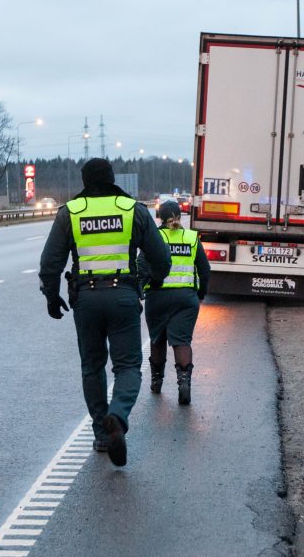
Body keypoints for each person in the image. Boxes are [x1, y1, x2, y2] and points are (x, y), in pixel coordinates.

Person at [39, 158, 170, 467]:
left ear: (85, 182)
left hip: (85, 299)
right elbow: (160, 256)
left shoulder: (70, 213)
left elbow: (50, 263)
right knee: (127, 367)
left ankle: (101, 433)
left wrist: (51, 296)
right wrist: (155, 279)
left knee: (92, 366)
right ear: (112, 179)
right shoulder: (132, 210)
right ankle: (118, 415)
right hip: (123, 296)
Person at [137, 200, 211, 405]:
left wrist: (139, 291)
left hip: (157, 297)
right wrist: (201, 293)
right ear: (179, 215)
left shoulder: (155, 237)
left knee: (158, 339)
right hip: (186, 299)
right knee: (182, 341)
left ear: (159, 218)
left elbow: (141, 265)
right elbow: (205, 270)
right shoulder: (191, 237)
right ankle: (184, 383)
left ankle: (156, 381)